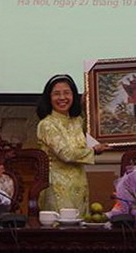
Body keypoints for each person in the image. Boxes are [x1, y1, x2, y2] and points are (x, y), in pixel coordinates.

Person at [36, 74, 109, 215]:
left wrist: (90, 104)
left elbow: (95, 129)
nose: (62, 98)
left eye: (67, 93)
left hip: (80, 182)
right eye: (56, 94)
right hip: (57, 185)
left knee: (80, 224)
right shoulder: (46, 124)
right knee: (61, 224)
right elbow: (66, 154)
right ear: (49, 98)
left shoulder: (77, 121)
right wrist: (94, 151)